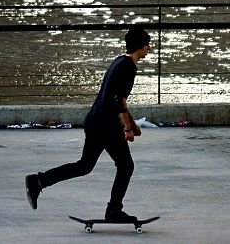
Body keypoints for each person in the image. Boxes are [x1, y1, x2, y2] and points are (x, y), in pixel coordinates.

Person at [25, 25, 151, 221]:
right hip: (106, 125)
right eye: (147, 45)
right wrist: (128, 128)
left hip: (95, 122)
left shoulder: (119, 62)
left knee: (84, 166)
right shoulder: (129, 67)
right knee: (126, 166)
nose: (149, 48)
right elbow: (119, 102)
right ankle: (114, 210)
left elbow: (115, 98)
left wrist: (132, 123)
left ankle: (39, 180)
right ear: (141, 47)